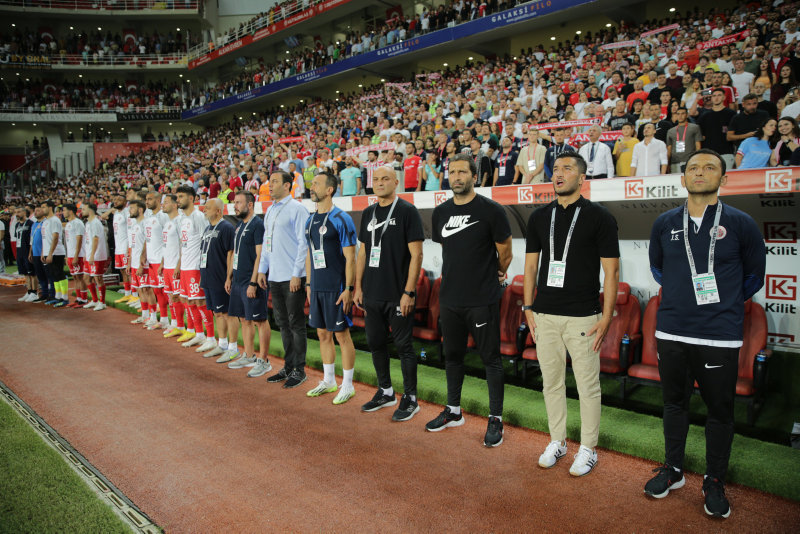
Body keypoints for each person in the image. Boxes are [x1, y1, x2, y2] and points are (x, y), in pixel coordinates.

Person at [645, 149, 766, 519]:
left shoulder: (742, 223)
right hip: (673, 331)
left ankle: (714, 479)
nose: (699, 172)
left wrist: (720, 305)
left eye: (709, 167)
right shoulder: (665, 222)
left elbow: (753, 278)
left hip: (719, 335)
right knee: (674, 404)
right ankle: (674, 469)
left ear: (723, 179)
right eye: (693, 168)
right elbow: (658, 269)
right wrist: (685, 299)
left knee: (719, 412)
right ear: (683, 178)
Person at [522, 151, 620, 476]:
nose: (559, 173)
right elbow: (531, 266)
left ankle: (588, 449)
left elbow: (611, 272)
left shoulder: (600, 217)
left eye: (568, 168)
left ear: (582, 178)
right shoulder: (538, 217)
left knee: (587, 387)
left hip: (584, 316)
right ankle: (558, 441)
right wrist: (527, 307)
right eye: (556, 169)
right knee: (551, 383)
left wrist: (606, 317)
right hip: (545, 314)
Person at [427, 153, 512, 447]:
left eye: (463, 172)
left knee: (490, 359)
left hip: (482, 297)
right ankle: (453, 411)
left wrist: (499, 272)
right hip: (450, 298)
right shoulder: (440, 213)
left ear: (474, 177)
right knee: (452, 356)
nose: (457, 177)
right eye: (452, 172)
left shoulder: (491, 210)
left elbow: (506, 250)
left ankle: (496, 418)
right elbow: (451, 249)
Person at [354, 165, 424, 421]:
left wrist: (409, 292)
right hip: (371, 292)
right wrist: (358, 287)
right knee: (375, 343)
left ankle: (411, 398)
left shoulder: (407, 211)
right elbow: (362, 253)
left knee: (404, 346)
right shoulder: (368, 212)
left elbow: (417, 255)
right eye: (377, 179)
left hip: (398, 294)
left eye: (386, 178)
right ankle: (385, 390)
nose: (380, 182)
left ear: (396, 182)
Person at [304, 172, 359, 405]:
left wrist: (348, 288)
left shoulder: (341, 218)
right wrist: (308, 283)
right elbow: (309, 253)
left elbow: (351, 258)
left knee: (341, 335)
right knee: (322, 333)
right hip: (317, 287)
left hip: (337, 288)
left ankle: (348, 385)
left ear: (329, 190)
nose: (311, 186)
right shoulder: (310, 220)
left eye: (316, 183)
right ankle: (329, 380)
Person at [257, 171, 310, 388]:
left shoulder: (298, 209)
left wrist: (297, 273)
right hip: (274, 276)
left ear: (288, 185)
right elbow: (266, 242)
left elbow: (303, 244)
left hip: (291, 277)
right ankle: (288, 366)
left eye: (275, 182)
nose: (270, 186)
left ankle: (300, 369)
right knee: (282, 324)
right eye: (270, 182)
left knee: (296, 324)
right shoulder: (270, 210)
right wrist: (262, 269)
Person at [225, 191, 272, 373]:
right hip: (238, 279)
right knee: (244, 319)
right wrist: (229, 277)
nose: (234, 206)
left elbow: (260, 255)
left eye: (238, 202)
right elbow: (235, 254)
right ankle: (249, 355)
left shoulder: (258, 225)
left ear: (250, 204)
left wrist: (253, 282)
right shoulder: (239, 225)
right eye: (234, 203)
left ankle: (264, 360)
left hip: (250, 281)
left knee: (260, 320)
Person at [195, 198, 236, 358]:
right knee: (217, 313)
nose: (204, 210)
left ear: (218, 210)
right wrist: (202, 276)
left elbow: (230, 253)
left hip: (220, 277)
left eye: (208, 208)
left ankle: (232, 348)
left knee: (227, 313)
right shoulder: (207, 228)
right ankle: (222, 343)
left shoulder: (226, 227)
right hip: (208, 277)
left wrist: (228, 277)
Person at [174, 185, 214, 349]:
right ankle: (199, 334)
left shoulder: (198, 216)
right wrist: (179, 265)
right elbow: (183, 244)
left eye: (181, 197)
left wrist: (204, 266)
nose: (178, 200)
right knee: (186, 299)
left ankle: (210, 338)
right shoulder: (182, 219)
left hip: (196, 266)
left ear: (191, 198)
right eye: (177, 197)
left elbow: (206, 241)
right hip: (185, 266)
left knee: (199, 300)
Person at [141, 192, 170, 330]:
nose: (147, 202)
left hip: (160, 259)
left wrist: (164, 260)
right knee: (156, 290)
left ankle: (171, 321)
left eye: (150, 199)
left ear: (158, 200)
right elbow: (147, 239)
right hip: (151, 259)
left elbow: (167, 239)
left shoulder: (163, 216)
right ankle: (162, 319)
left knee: (165, 291)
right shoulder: (148, 218)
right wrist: (143, 255)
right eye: (146, 199)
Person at [161, 194, 189, 339]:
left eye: (165, 202)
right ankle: (175, 324)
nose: (162, 205)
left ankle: (182, 326)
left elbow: (182, 244)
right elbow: (166, 245)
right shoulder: (167, 222)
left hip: (176, 265)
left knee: (179, 297)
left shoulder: (179, 221)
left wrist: (178, 265)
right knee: (171, 296)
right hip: (167, 265)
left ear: (174, 205)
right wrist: (162, 263)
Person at [697, 89, 737, 169]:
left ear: (724, 97)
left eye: (719, 95)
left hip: (726, 153)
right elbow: (702, 136)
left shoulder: (731, 114)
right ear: (711, 98)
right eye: (714, 96)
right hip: (709, 154)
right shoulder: (704, 116)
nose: (716, 98)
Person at [81, 202, 108, 311]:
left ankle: (102, 302)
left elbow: (96, 239)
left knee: (98, 278)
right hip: (89, 255)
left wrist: (92, 255)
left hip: (97, 255)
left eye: (84, 209)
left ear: (90, 210)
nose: (82, 211)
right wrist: (86, 255)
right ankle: (95, 300)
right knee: (86, 278)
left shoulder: (96, 222)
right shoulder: (88, 223)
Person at [40, 201, 68, 307]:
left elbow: (55, 237)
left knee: (58, 274)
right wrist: (43, 252)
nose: (42, 210)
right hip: (48, 252)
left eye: (44, 207)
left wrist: (50, 253)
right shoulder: (45, 221)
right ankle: (58, 297)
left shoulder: (54, 220)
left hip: (57, 252)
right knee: (53, 275)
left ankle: (65, 298)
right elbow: (45, 238)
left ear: (50, 208)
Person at [128, 199, 151, 324]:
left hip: (143, 263)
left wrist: (142, 262)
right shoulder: (134, 225)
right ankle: (144, 314)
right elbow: (133, 246)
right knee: (140, 290)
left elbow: (147, 243)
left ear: (140, 209)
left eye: (132, 208)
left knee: (146, 289)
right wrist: (129, 263)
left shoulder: (145, 224)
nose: (130, 211)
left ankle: (150, 316)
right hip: (134, 263)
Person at [109, 192, 134, 304]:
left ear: (125, 202)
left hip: (125, 247)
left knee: (128, 272)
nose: (116, 201)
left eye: (119, 200)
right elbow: (104, 216)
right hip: (118, 247)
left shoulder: (126, 213)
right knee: (122, 271)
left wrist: (129, 248)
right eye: (115, 200)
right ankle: (127, 293)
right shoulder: (116, 214)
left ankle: (134, 294)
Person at [63, 204, 87, 308]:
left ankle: (84, 299)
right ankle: (78, 298)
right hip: (70, 254)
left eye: (64, 210)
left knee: (80, 277)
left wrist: (76, 255)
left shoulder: (78, 223)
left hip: (78, 254)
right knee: (75, 277)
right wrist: (68, 255)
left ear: (71, 211)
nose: (63, 213)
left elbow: (79, 240)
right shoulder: (68, 224)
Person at [666, 107, 703, 173]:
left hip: (690, 161)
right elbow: (669, 150)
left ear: (687, 115)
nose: (680, 116)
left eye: (682, 114)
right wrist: (668, 164)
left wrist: (698, 161)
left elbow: (698, 146)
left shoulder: (694, 127)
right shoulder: (670, 131)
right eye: (678, 114)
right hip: (675, 163)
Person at [16, 205, 38, 302]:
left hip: (27, 251)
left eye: (19, 212)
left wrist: (30, 252)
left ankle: (34, 292)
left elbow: (31, 240)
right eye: (16, 212)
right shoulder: (17, 225)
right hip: (19, 251)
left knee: (32, 273)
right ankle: (29, 291)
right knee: (25, 273)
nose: (17, 214)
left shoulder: (30, 223)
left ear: (24, 213)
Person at [29, 205, 50, 303]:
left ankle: (51, 293)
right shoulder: (34, 224)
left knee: (47, 274)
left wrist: (43, 251)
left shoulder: (45, 223)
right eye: (35, 211)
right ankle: (44, 294)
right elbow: (32, 240)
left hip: (44, 253)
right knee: (40, 274)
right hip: (35, 253)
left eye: (38, 210)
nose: (35, 212)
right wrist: (30, 252)